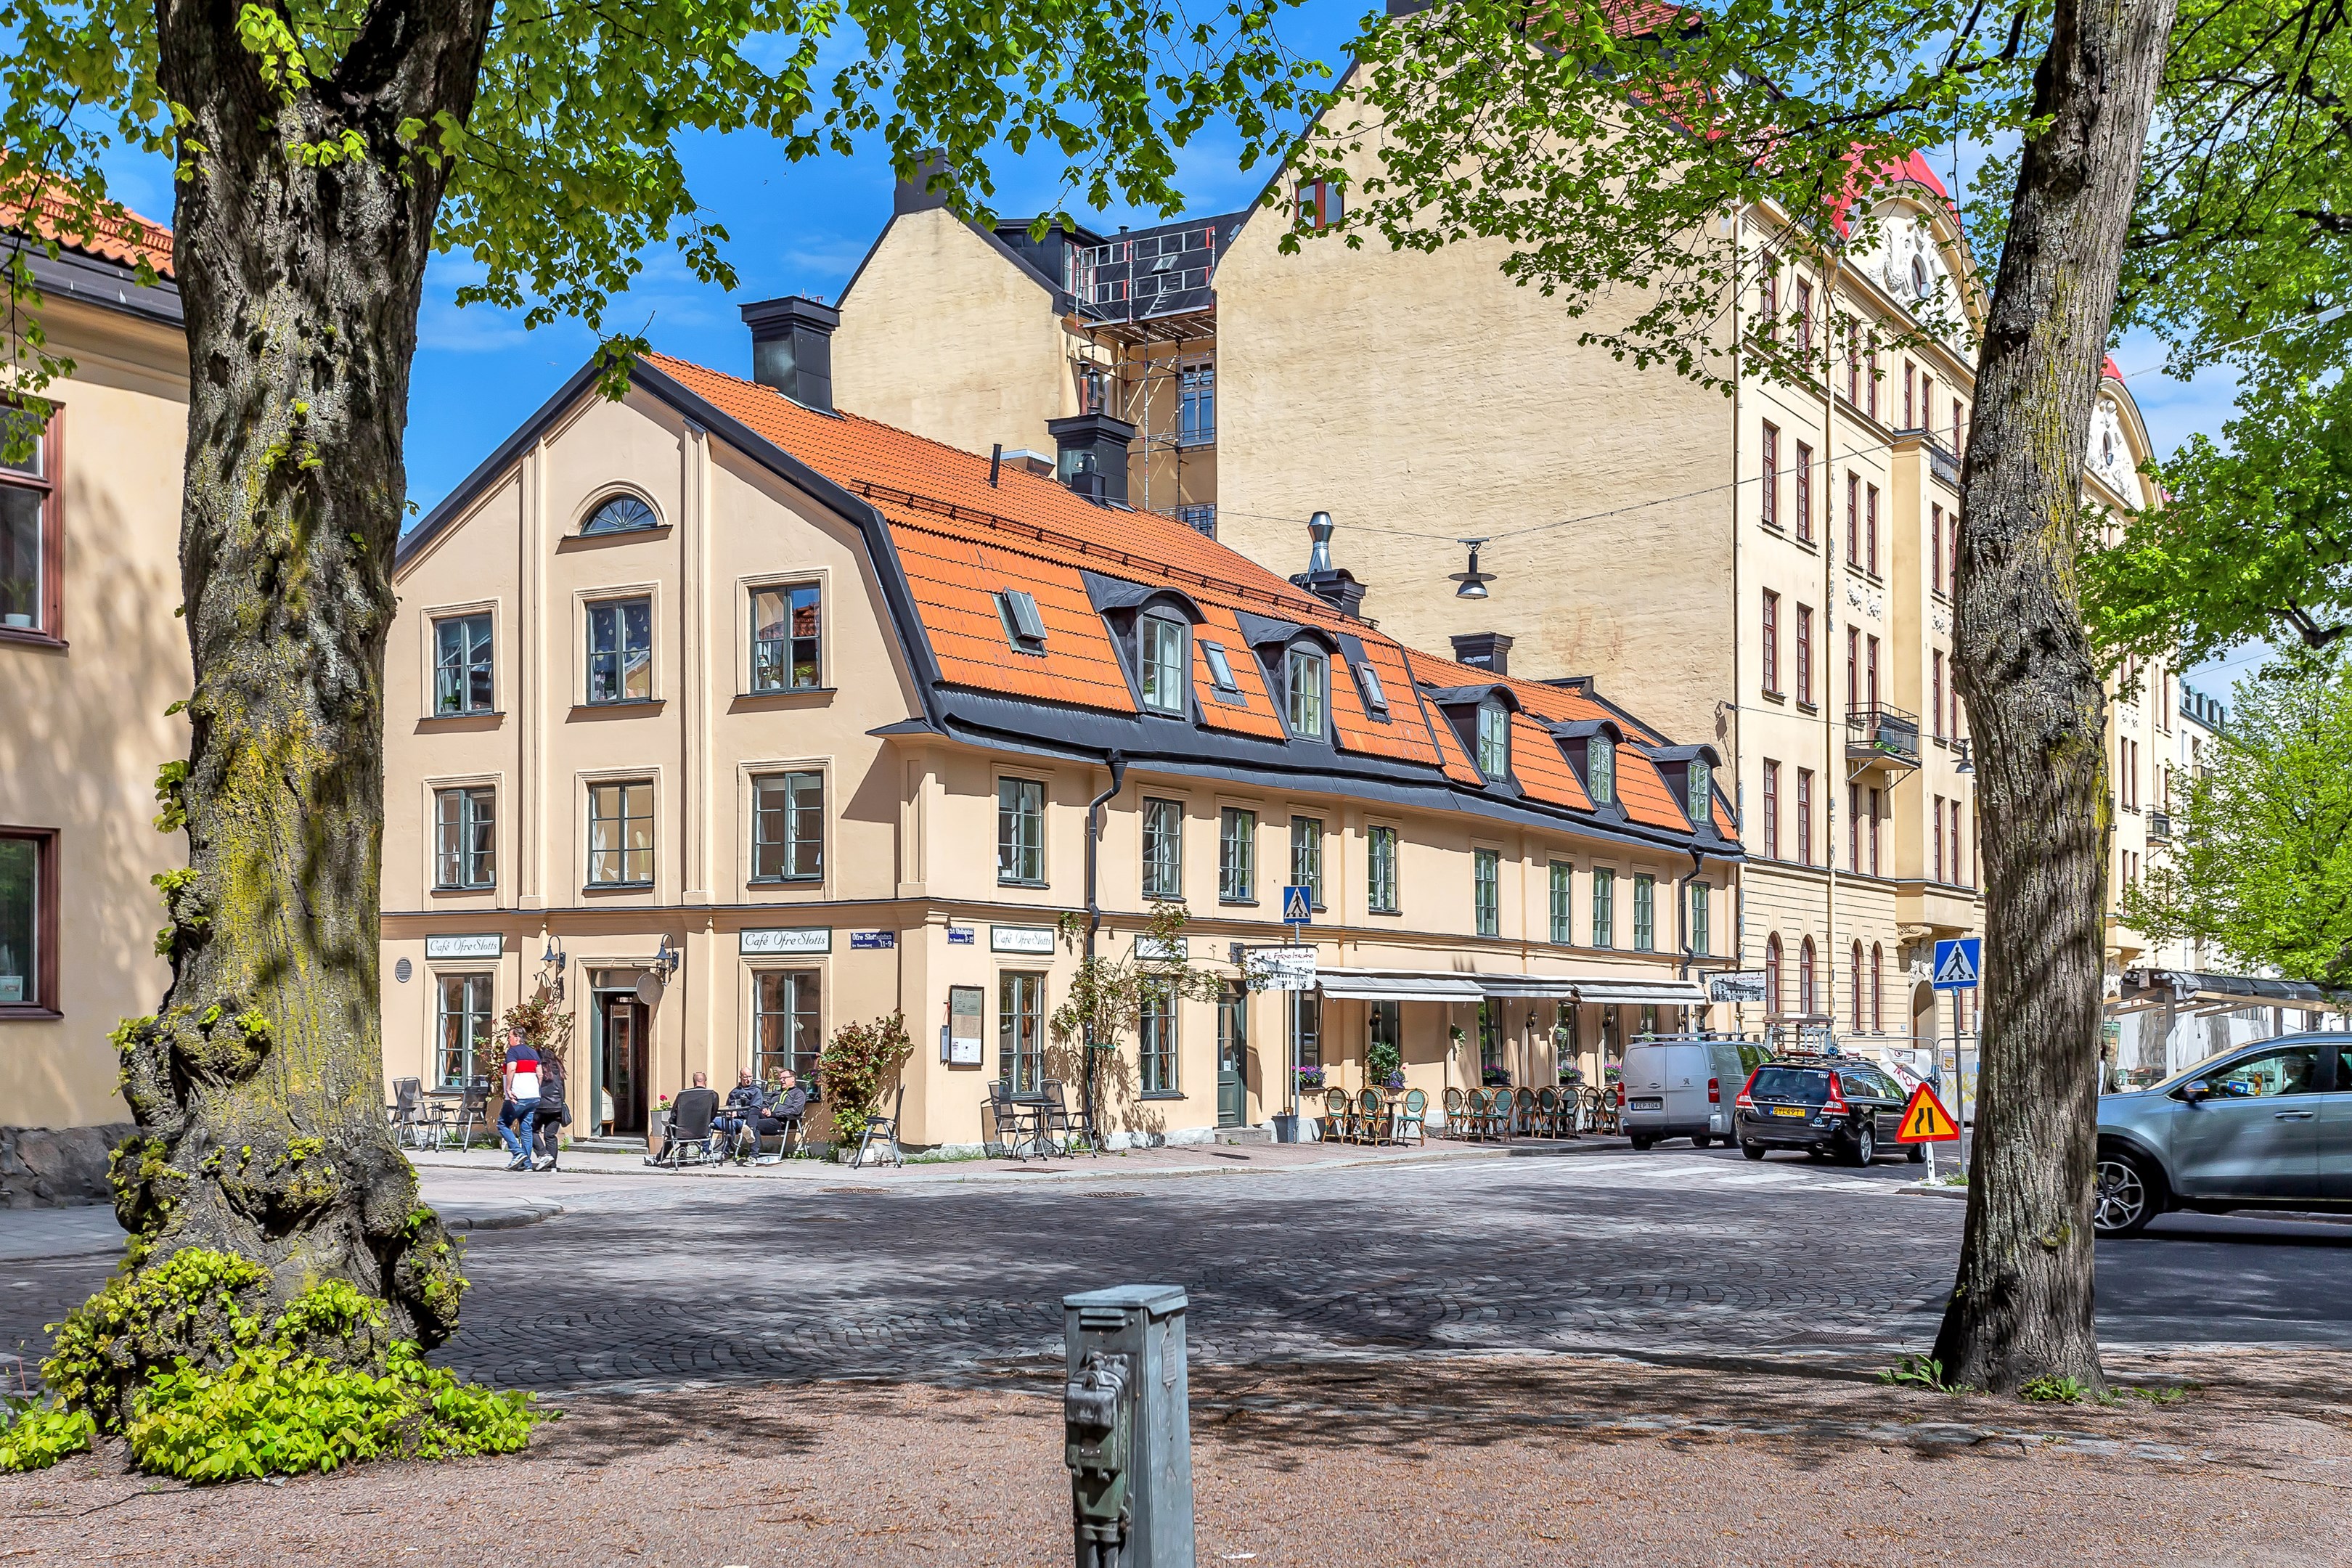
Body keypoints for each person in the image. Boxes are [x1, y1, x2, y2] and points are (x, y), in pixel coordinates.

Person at [497, 1027, 542, 1172]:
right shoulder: (533, 1052)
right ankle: (527, 1164)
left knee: (503, 1124)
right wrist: (535, 1088)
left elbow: (511, 1069)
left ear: (517, 1037)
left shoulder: (513, 1052)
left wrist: (509, 1089)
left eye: (509, 1037)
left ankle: (518, 1153)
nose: (508, 1040)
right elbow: (540, 1074)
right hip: (533, 1096)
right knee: (526, 1129)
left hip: (518, 1095)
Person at [653, 1071, 721, 1164]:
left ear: (694, 1082)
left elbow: (674, 1113)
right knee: (688, 1127)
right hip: (702, 1132)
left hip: (682, 1133)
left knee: (672, 1130)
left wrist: (671, 1123)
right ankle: (703, 1152)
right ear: (705, 1082)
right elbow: (713, 1114)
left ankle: (660, 1158)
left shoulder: (684, 1095)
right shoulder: (713, 1095)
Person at [748, 1069, 809, 1162]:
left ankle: (753, 1155)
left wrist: (774, 1114)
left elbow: (795, 1110)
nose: (781, 1081)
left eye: (784, 1078)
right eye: (780, 1079)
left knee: (755, 1125)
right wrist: (764, 1108)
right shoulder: (776, 1092)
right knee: (754, 1110)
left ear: (792, 1079)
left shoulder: (798, 1094)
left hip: (780, 1122)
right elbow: (765, 1102)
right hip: (767, 1117)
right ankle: (750, 1129)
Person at [531, 1051, 568, 1172]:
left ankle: (544, 1154)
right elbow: (563, 1089)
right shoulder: (559, 1068)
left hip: (541, 1106)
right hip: (557, 1107)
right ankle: (553, 1166)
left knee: (530, 1130)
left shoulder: (540, 1068)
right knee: (550, 1136)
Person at [719, 1069, 764, 1160]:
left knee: (730, 1124)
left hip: (745, 1119)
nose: (749, 1079)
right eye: (746, 1077)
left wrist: (738, 1113)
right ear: (740, 1078)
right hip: (730, 1118)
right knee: (708, 1121)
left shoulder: (756, 1091)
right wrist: (729, 1111)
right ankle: (706, 1152)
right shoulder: (734, 1091)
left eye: (750, 1077)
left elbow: (754, 1110)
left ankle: (726, 1152)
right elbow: (729, 1105)